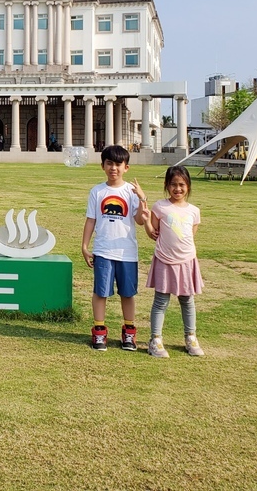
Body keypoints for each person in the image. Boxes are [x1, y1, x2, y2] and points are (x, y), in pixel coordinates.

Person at [81, 144, 151, 351]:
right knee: (100, 291)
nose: (114, 168)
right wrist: (85, 246)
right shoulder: (97, 191)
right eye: (109, 163)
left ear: (126, 167)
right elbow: (91, 220)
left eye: (118, 164)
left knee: (127, 293)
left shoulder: (131, 191)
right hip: (103, 250)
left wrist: (142, 199)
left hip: (126, 251)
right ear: (102, 165)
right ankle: (99, 331)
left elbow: (138, 220)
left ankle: (129, 332)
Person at [143, 165, 205, 358]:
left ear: (188, 186)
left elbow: (191, 234)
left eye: (181, 185)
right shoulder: (160, 207)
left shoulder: (194, 211)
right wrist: (146, 220)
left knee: (187, 300)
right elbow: (153, 233)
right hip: (164, 259)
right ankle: (156, 339)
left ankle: (191, 337)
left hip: (186, 260)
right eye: (173, 185)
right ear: (166, 186)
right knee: (161, 300)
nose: (177, 189)